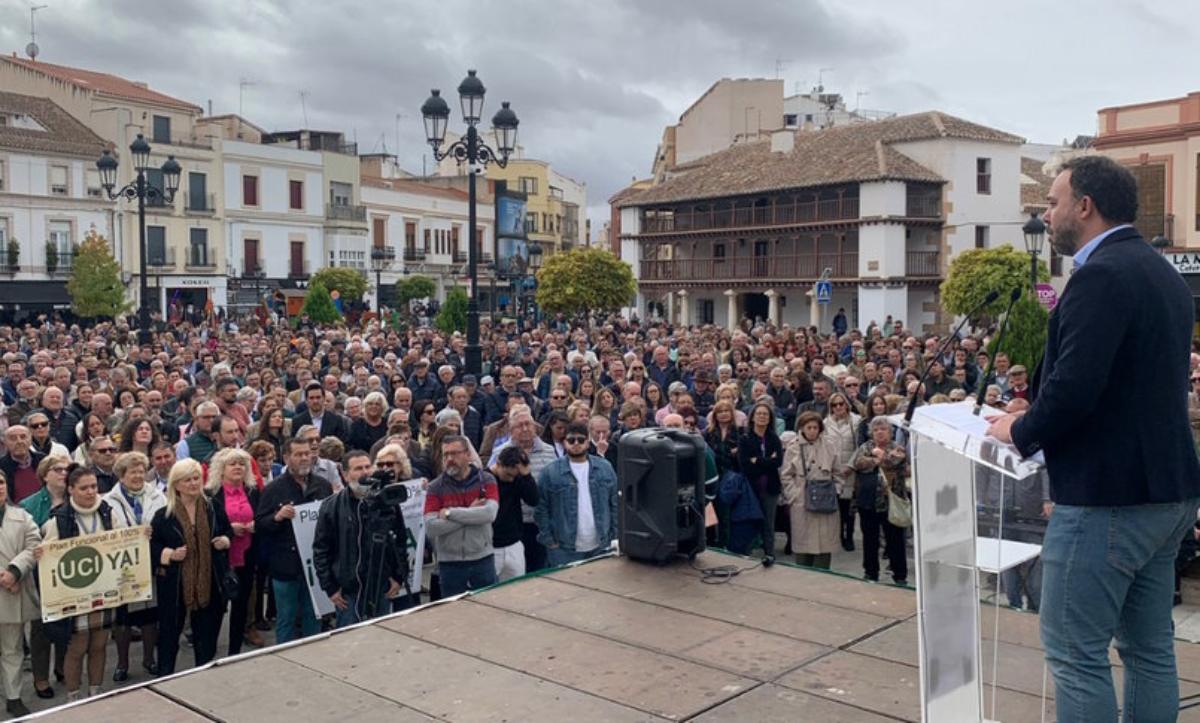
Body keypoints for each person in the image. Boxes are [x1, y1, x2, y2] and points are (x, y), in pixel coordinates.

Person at [987, 155, 1200, 721]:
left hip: (1110, 499)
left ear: (1085, 206)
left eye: (1053, 202)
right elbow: (1121, 381)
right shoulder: (1161, 272)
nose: (1046, 213)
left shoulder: (1101, 275)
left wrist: (1021, 427)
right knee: (1149, 648)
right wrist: (1036, 401)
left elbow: (1079, 388)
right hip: (1169, 491)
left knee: (1075, 653)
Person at [38, 466, 130, 701]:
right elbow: (49, 556)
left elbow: (123, 541)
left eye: (93, 487)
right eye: (84, 488)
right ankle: (74, 695)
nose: (90, 492)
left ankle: (96, 691)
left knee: (100, 643)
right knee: (77, 647)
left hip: (104, 589)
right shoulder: (59, 518)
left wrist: (140, 536)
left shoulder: (108, 512)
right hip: (75, 592)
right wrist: (42, 554)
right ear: (70, 490)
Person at [150, 458, 232, 675]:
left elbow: (227, 530)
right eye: (188, 480)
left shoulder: (212, 507)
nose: (194, 484)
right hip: (175, 585)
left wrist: (225, 540)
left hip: (210, 581)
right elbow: (152, 547)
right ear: (176, 484)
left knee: (207, 635)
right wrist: (169, 554)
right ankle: (165, 676)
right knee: (169, 635)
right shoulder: (164, 515)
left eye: (196, 478)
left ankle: (203, 673)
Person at [313, 451, 408, 627]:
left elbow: (400, 540)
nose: (365, 472)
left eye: (367, 467)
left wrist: (398, 576)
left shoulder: (386, 502)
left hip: (381, 586)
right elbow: (321, 550)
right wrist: (330, 588)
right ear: (346, 474)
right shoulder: (331, 506)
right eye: (358, 468)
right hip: (348, 592)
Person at [255, 436, 334, 643]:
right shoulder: (274, 489)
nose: (304, 458)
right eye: (299, 454)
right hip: (285, 566)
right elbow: (260, 523)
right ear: (287, 458)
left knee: (314, 615)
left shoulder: (323, 486)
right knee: (286, 619)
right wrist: (277, 517)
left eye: (307, 453)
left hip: (315, 564)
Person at [103, 451, 167, 682]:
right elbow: (105, 534)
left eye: (141, 471)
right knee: (124, 620)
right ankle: (122, 663)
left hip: (151, 563)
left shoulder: (158, 496)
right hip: (122, 567)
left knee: (150, 615)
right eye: (133, 472)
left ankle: (149, 659)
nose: (138, 475)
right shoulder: (108, 501)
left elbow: (165, 524)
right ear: (121, 475)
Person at [535, 422, 619, 567]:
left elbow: (615, 503)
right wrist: (549, 540)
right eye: (571, 440)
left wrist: (614, 534)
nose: (576, 444)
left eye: (580, 440)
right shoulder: (550, 472)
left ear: (587, 443)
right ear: (564, 443)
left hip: (601, 544)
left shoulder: (605, 467)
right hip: (563, 547)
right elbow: (541, 508)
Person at [424, 435, 499, 596]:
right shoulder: (435, 487)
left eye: (455, 453)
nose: (450, 459)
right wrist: (471, 513)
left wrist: (451, 513)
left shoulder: (486, 480)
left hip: (482, 559)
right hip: (450, 564)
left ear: (467, 454)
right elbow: (431, 527)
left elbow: (489, 514)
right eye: (446, 455)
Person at [205, 448, 262, 654]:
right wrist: (230, 530)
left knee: (241, 606)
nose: (238, 467)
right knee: (217, 608)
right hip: (221, 559)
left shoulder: (253, 491)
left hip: (247, 555)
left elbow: (262, 515)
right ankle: (208, 653)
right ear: (221, 469)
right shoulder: (211, 495)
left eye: (241, 464)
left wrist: (257, 524)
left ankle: (234, 651)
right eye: (233, 464)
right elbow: (208, 526)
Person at [21, 455, 69, 699]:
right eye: (57, 469)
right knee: (41, 629)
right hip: (40, 575)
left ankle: (62, 667)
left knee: (67, 621)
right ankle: (40, 678)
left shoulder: (76, 497)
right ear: (45, 474)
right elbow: (24, 541)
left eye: (66, 469)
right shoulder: (29, 505)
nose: (63, 473)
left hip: (70, 572)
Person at [0, 470, 39, 717]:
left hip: (11, 592)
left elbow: (34, 544)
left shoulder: (22, 516)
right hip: (6, 585)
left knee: (12, 649)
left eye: (1, 482)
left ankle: (13, 697)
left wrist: (15, 570)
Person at [851, 417, 908, 585]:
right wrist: (878, 459)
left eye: (883, 429)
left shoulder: (897, 447)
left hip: (891, 502)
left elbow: (895, 461)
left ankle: (900, 575)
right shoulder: (865, 447)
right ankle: (870, 572)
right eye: (876, 430)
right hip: (868, 501)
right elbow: (858, 462)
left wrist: (880, 457)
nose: (879, 432)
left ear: (890, 432)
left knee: (895, 540)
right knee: (870, 539)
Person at [780, 412, 839, 569]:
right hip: (802, 500)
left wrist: (835, 491)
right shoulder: (793, 447)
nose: (812, 430)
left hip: (826, 499)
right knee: (803, 543)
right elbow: (786, 475)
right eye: (809, 427)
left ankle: (823, 573)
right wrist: (794, 494)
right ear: (802, 428)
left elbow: (838, 472)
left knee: (824, 544)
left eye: (815, 427)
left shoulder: (830, 445)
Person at [737, 402, 784, 565]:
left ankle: (769, 553)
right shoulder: (745, 439)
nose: (762, 416)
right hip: (751, 487)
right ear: (753, 417)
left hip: (771, 488)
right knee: (751, 520)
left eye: (765, 414)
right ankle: (747, 553)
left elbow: (777, 462)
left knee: (768, 523)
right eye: (759, 414)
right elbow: (745, 465)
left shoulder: (774, 438)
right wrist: (766, 462)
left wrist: (757, 460)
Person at [490, 445, 538, 582]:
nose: (511, 479)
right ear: (498, 464)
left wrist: (527, 475)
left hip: (514, 544)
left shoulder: (517, 478)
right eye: (508, 475)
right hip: (491, 546)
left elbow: (533, 500)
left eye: (514, 476)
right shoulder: (485, 479)